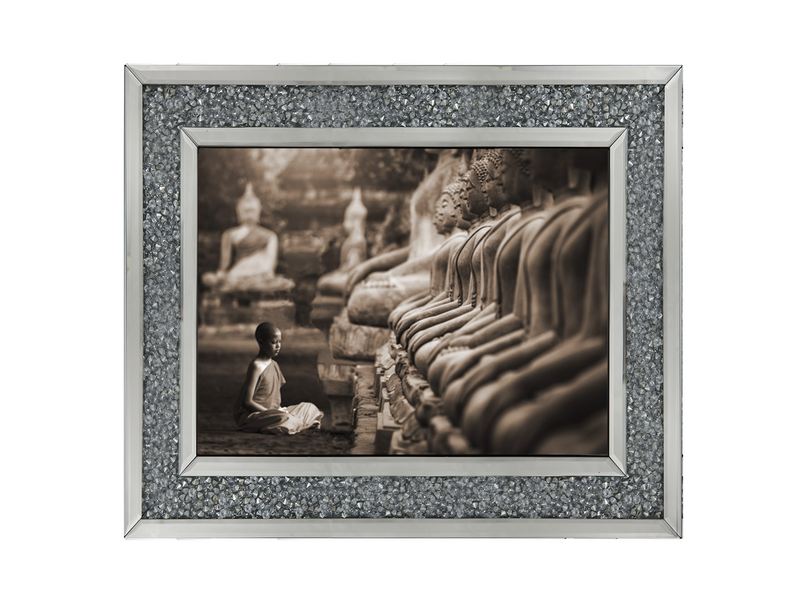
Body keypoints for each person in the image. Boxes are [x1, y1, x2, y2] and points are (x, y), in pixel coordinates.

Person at [232, 322, 323, 434]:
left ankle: (291, 424)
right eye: (274, 342)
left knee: (310, 408)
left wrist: (279, 410)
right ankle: (292, 424)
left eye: (280, 342)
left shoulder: (274, 365)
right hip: (255, 415)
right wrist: (271, 413)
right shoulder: (256, 365)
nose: (278, 346)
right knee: (287, 419)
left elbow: (274, 398)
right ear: (261, 342)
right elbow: (247, 402)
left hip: (275, 413)